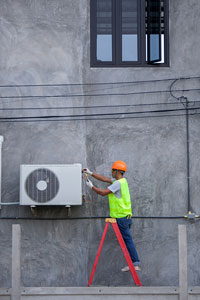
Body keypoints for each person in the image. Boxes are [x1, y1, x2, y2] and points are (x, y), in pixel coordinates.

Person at [83, 160, 141, 272]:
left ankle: (135, 263)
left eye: (113, 170)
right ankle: (133, 263)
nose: (111, 172)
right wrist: (91, 173)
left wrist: (91, 187)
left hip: (121, 218)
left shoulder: (118, 184)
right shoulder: (122, 181)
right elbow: (105, 179)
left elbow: (103, 193)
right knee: (126, 241)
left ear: (118, 171)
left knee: (127, 241)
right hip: (126, 217)